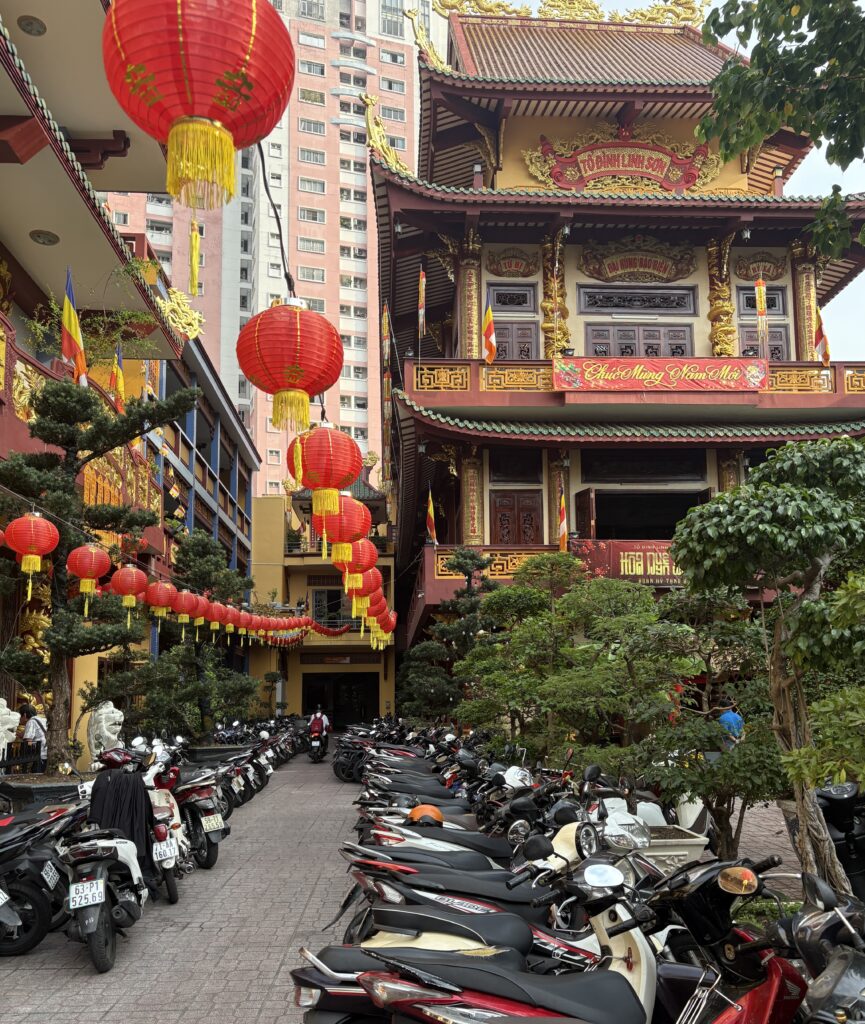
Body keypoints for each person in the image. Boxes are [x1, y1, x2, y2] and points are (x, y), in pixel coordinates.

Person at [18, 704, 47, 772]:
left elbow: (29, 741)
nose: (19, 719)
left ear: (24, 715)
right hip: (48, 753)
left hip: (40, 756)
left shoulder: (31, 722)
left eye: (20, 716)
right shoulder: (43, 719)